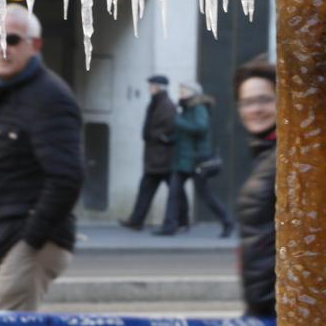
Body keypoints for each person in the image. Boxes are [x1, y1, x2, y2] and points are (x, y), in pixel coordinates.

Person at [0, 5, 85, 312]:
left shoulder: (50, 97)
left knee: (6, 319)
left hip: (29, 240)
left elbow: (67, 178)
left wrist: (31, 239)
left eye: (12, 40)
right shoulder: (6, 94)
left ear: (35, 45)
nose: (1, 48)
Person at [153, 81, 233, 237]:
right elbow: (186, 135)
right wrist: (170, 139)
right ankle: (170, 226)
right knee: (174, 193)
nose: (181, 92)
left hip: (197, 161)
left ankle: (227, 221)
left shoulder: (198, 108)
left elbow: (201, 128)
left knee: (206, 196)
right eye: (180, 89)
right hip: (183, 160)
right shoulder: (186, 108)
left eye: (183, 90)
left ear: (192, 92)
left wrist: (178, 122)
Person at [232, 56, 279, 318]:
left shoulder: (293, 157)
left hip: (282, 305)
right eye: (247, 102)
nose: (255, 109)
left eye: (264, 99)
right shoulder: (268, 155)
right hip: (264, 302)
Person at [118, 74, 177, 231]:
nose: (149, 88)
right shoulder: (156, 103)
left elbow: (170, 129)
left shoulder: (166, 106)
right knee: (147, 189)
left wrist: (156, 136)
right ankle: (136, 220)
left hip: (162, 157)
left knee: (173, 190)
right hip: (155, 157)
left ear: (158, 87)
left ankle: (178, 221)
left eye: (152, 85)